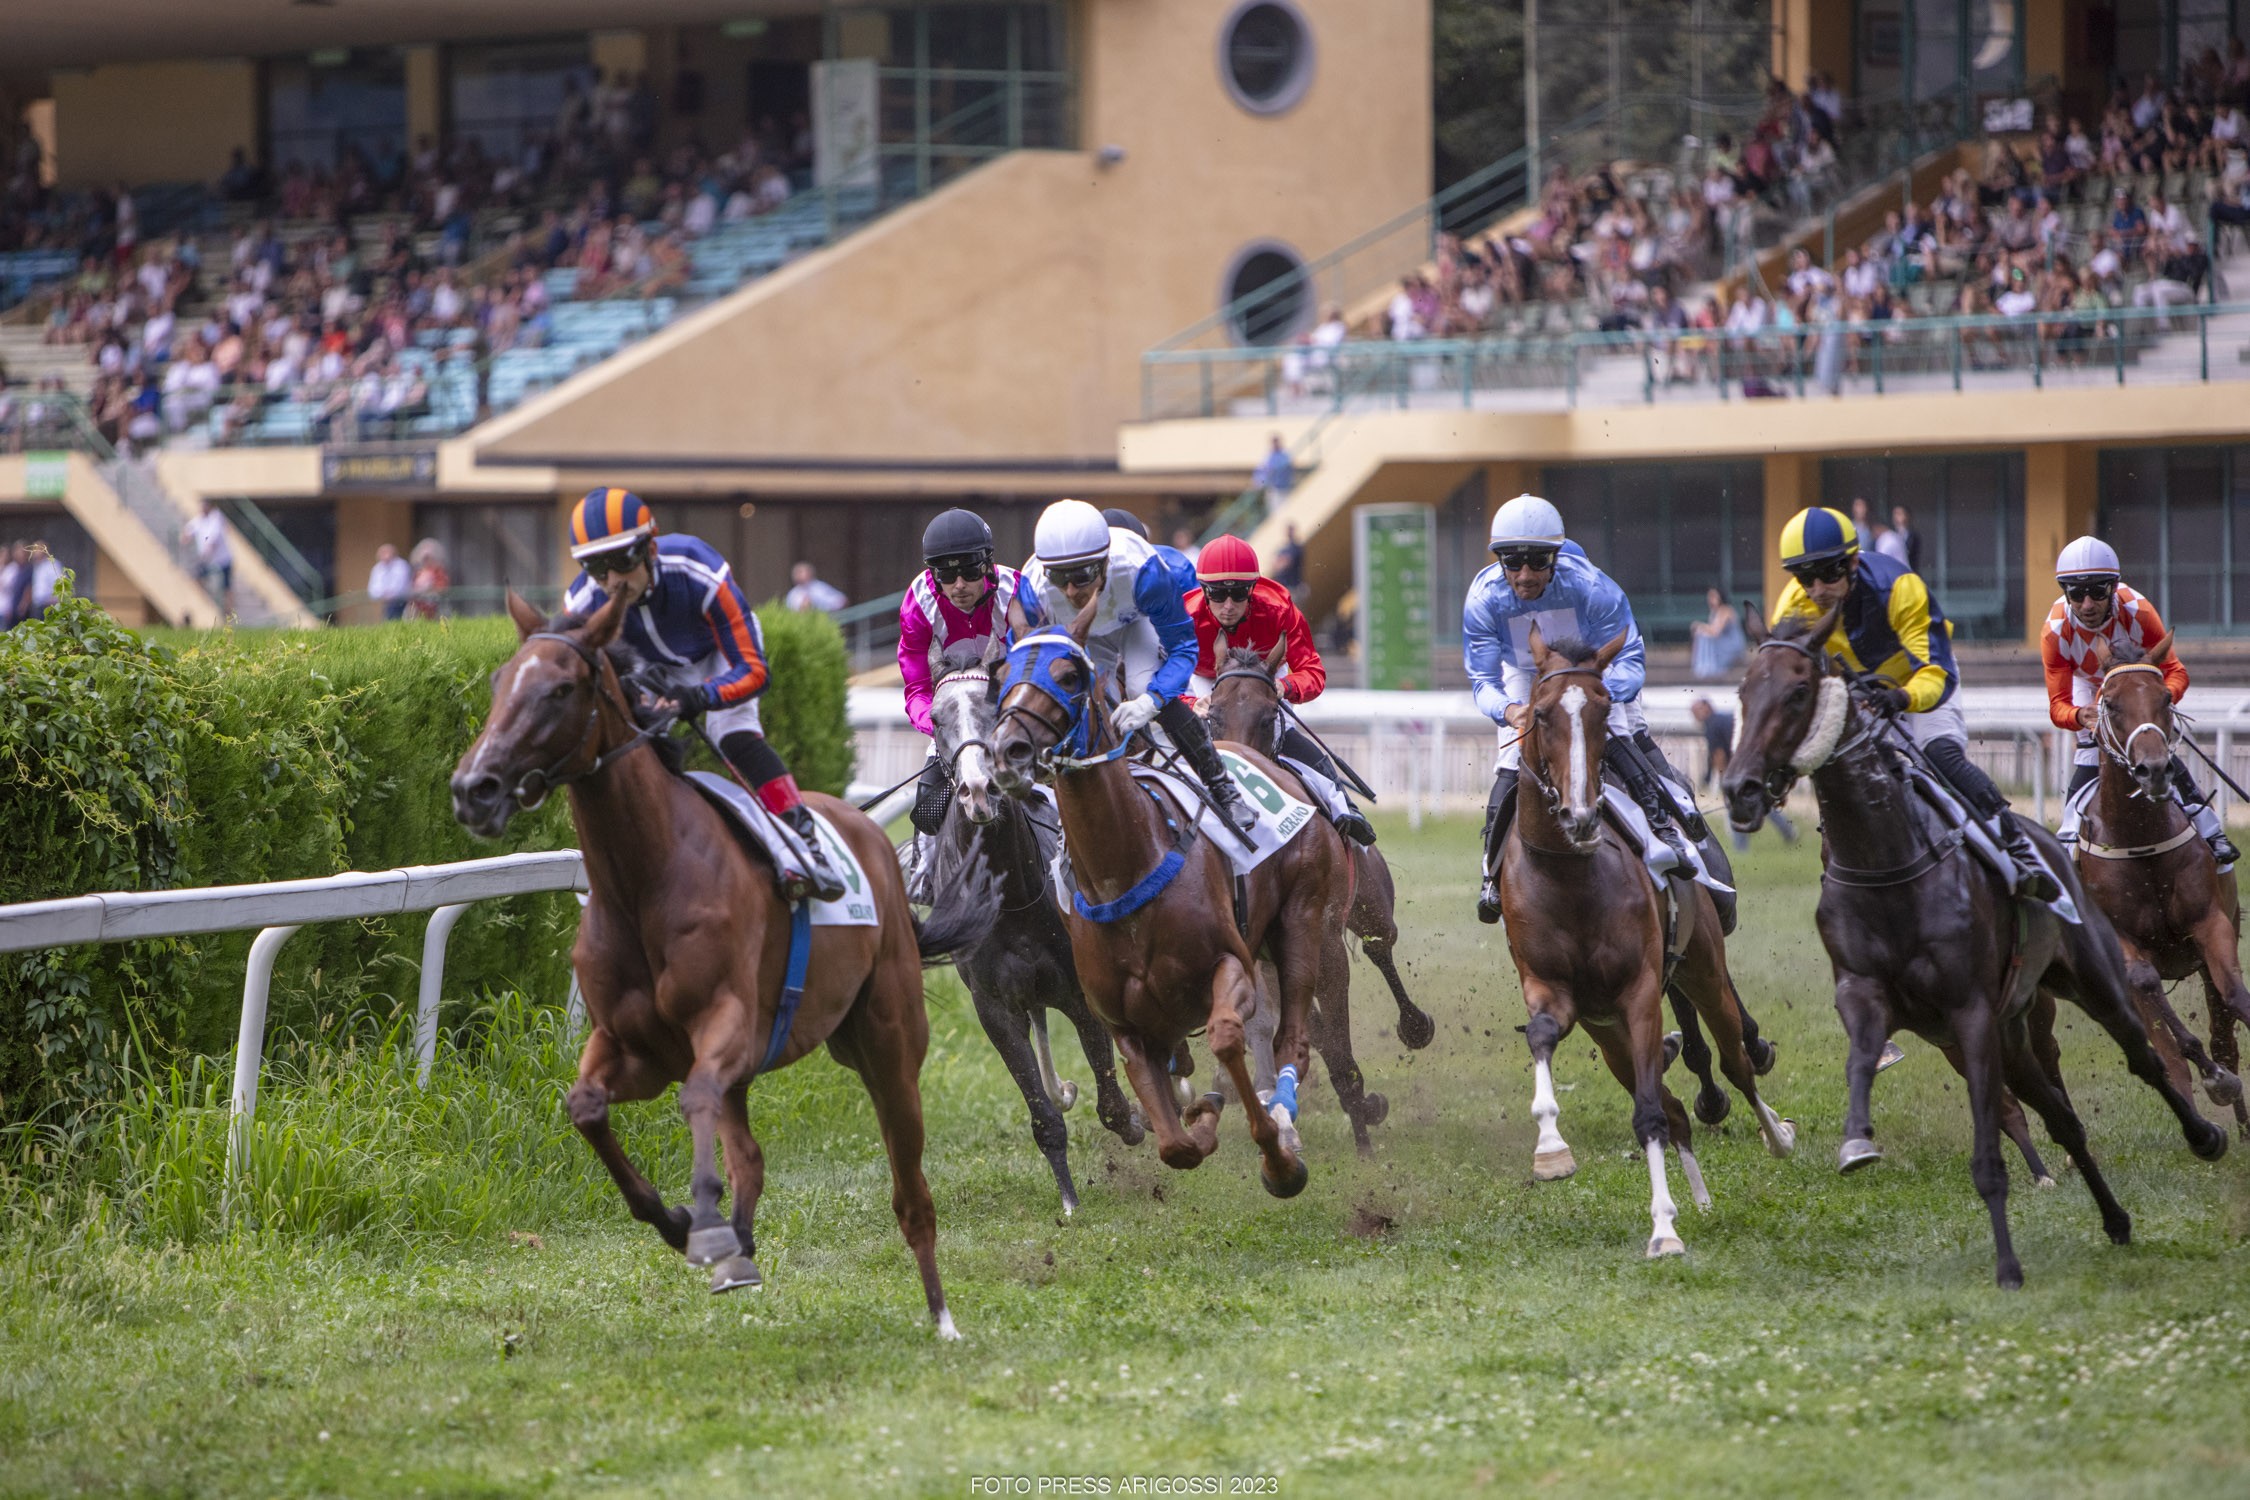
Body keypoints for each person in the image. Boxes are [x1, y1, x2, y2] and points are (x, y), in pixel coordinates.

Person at [563, 487, 848, 901]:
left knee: (732, 735)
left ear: (651, 547)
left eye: (621, 561)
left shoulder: (696, 567)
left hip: (719, 656)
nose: (611, 581)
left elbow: (753, 671)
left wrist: (697, 696)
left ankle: (804, 839)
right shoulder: (584, 603)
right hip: (649, 669)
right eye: (594, 567)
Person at [1464, 493, 1725, 924]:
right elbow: (1483, 681)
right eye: (1513, 562)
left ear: (1556, 556)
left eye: (1536, 562)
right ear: (1499, 561)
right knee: (1512, 758)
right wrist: (1510, 711)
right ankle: (1490, 874)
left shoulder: (1591, 586)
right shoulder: (1484, 598)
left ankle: (1670, 827)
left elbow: (1631, 660)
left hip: (1592, 671)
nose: (1524, 574)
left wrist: (1593, 695)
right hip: (1526, 672)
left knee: (1620, 735)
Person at [1773, 506, 2058, 899]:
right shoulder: (1793, 606)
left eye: (1828, 572)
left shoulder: (1900, 587)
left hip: (1919, 679)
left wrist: (1901, 697)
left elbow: (1936, 673)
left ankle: (2018, 846)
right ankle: (1844, 869)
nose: (1817, 588)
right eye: (1805, 577)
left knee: (1939, 754)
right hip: (1860, 691)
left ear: (1853, 562)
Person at [1021, 499, 1254, 834]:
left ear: (1105, 561)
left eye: (1082, 575)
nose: (1071, 590)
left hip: (1136, 621)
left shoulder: (1146, 573)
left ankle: (1223, 788)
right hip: (1083, 632)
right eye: (1059, 577)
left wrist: (1153, 701)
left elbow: (1184, 649)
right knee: (1083, 698)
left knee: (1141, 687)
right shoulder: (1033, 589)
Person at [2042, 535, 2237, 867]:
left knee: (2153, 747)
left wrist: (2154, 704)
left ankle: (2211, 830)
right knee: (2090, 756)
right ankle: (2067, 839)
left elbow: (2176, 672)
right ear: (2065, 593)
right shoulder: (2055, 632)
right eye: (2075, 593)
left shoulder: (2139, 612)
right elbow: (2057, 706)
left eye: (2098, 591)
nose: (2087, 604)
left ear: (2114, 587)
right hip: (2087, 686)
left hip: (2140, 688)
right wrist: (2079, 716)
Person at [1184, 534, 1373, 845]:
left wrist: (1284, 687)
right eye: (1217, 594)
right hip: (1206, 676)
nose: (1228, 606)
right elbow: (1164, 675)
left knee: (1280, 728)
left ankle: (1343, 806)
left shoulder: (1279, 609)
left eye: (1238, 593)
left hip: (1266, 673)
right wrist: (1190, 702)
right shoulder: (1185, 618)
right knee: (1189, 730)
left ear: (1253, 588)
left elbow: (1313, 672)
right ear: (1203, 590)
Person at [898, 507, 1044, 837]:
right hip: (954, 728)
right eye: (946, 576)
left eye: (969, 572)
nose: (959, 585)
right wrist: (939, 725)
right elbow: (918, 688)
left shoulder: (1018, 592)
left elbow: (1035, 675)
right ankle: (922, 882)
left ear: (987, 566)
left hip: (1010, 721)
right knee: (927, 819)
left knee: (1054, 801)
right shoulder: (918, 602)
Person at [1692, 697, 1797, 850]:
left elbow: (1719, 754)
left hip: (1741, 766)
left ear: (1707, 708)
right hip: (1754, 762)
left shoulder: (1711, 724)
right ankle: (1788, 832)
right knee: (1761, 799)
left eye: (1696, 711)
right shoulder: (1726, 717)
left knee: (1736, 805)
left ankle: (1740, 848)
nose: (1695, 716)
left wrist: (1724, 780)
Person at [181, 497, 234, 615]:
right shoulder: (198, 520)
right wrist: (184, 539)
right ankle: (210, 600)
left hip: (223, 559)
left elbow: (213, 539)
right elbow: (188, 532)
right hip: (209, 560)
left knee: (227, 587)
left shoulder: (216, 518)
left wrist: (206, 553)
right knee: (197, 577)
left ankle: (228, 613)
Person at [1688, 587, 1745, 679]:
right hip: (1721, 642)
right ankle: (1701, 666)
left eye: (1714, 596)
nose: (1711, 599)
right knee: (1701, 634)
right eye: (1709, 597)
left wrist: (1699, 625)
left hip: (1731, 644)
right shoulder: (1714, 612)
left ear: (1720, 597)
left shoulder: (1725, 610)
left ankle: (1708, 667)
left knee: (1703, 635)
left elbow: (1715, 631)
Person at [367, 542, 412, 621]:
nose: (385, 556)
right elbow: (373, 587)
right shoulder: (378, 568)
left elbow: (401, 583)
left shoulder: (401, 566)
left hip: (400, 599)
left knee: (395, 615)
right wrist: (382, 594)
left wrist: (391, 593)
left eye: (387, 553)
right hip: (385, 602)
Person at [406, 539, 449, 620]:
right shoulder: (418, 572)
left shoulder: (438, 571)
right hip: (419, 603)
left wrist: (431, 588)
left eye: (428, 558)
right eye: (425, 559)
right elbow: (413, 586)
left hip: (434, 604)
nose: (426, 561)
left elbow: (442, 587)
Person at [1252, 434, 1294, 515]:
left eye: (1277, 442)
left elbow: (1287, 468)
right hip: (1274, 488)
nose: (1275, 444)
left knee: (1286, 511)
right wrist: (1259, 483)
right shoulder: (1267, 456)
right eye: (1274, 442)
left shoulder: (1285, 455)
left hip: (1285, 488)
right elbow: (1261, 471)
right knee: (1275, 513)